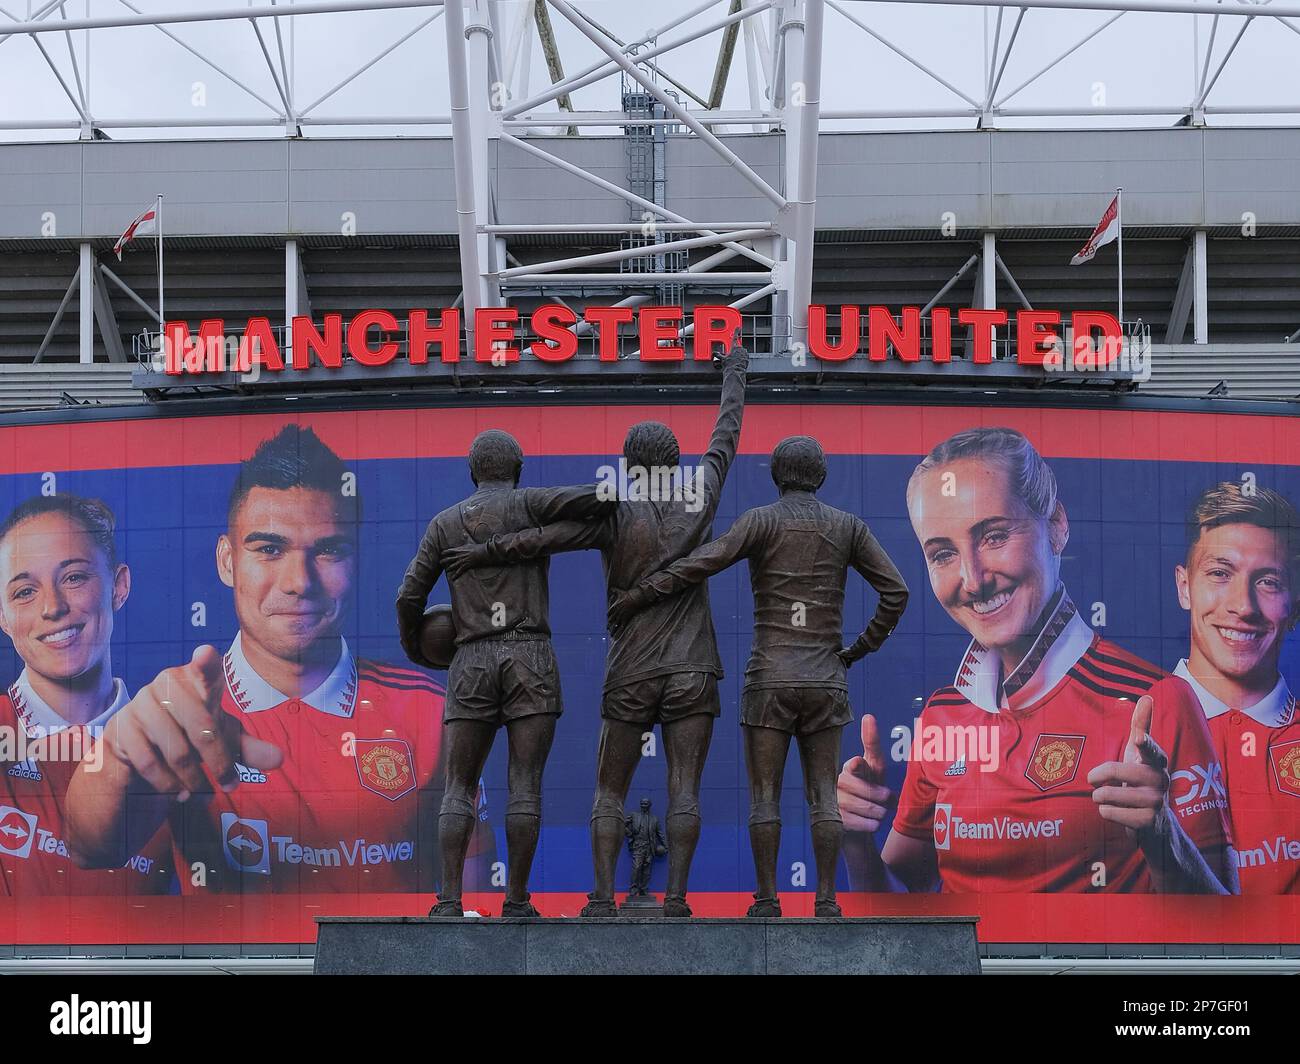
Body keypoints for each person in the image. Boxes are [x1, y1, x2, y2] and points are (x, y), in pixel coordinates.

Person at [66, 425, 492, 896]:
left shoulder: (434, 713)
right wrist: (116, 755)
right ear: (227, 562)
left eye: (329, 550)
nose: (298, 582)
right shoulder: (178, 711)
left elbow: (475, 905)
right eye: (268, 549)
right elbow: (91, 846)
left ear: (358, 562)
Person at [837, 427, 1236, 894]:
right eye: (943, 554)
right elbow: (901, 907)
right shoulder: (941, 715)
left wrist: (1162, 837)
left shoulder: (1156, 701)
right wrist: (855, 841)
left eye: (994, 536)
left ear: (1057, 525)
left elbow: (1223, 929)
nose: (973, 579)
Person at [442, 345, 750, 917]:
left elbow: (545, 538)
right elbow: (725, 434)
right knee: (685, 788)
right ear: (675, 461)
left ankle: (604, 899)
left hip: (631, 669)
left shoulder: (615, 511)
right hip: (694, 667)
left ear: (630, 466)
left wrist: (484, 549)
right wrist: (734, 371)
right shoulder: (700, 493)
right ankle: (676, 899)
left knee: (610, 790)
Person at [608, 436, 908, 916]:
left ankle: (767, 899)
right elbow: (896, 591)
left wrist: (644, 590)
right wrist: (858, 648)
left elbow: (703, 562)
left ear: (776, 476)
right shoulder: (848, 526)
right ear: (822, 476)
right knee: (823, 797)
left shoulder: (759, 520)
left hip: (769, 676)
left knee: (764, 797)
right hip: (825, 677)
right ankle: (826, 900)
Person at [395, 429, 612, 918]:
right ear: (517, 470)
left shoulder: (445, 523)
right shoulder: (530, 503)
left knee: (458, 786)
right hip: (529, 654)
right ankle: (516, 900)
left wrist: (418, 650)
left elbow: (408, 597)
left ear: (473, 472)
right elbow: (597, 499)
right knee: (525, 785)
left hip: (470, 657)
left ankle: (448, 901)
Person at [0, 495, 171, 895]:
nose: (52, 608)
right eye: (25, 591)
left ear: (119, 586)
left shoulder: (174, 748)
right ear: (2, 617)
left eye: (74, 577)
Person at [1172, 482, 1300, 893]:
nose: (1243, 606)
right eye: (1219, 574)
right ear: (1184, 586)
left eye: (1268, 582)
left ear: (1294, 604)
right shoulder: (1117, 731)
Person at [625, 797, 666, 900]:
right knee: (637, 868)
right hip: (638, 846)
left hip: (649, 847)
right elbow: (623, 823)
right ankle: (633, 890)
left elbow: (660, 834)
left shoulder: (654, 819)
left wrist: (666, 846)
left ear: (649, 805)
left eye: (645, 804)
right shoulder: (634, 815)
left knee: (647, 870)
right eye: (642, 803)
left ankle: (644, 890)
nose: (643, 805)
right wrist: (629, 833)